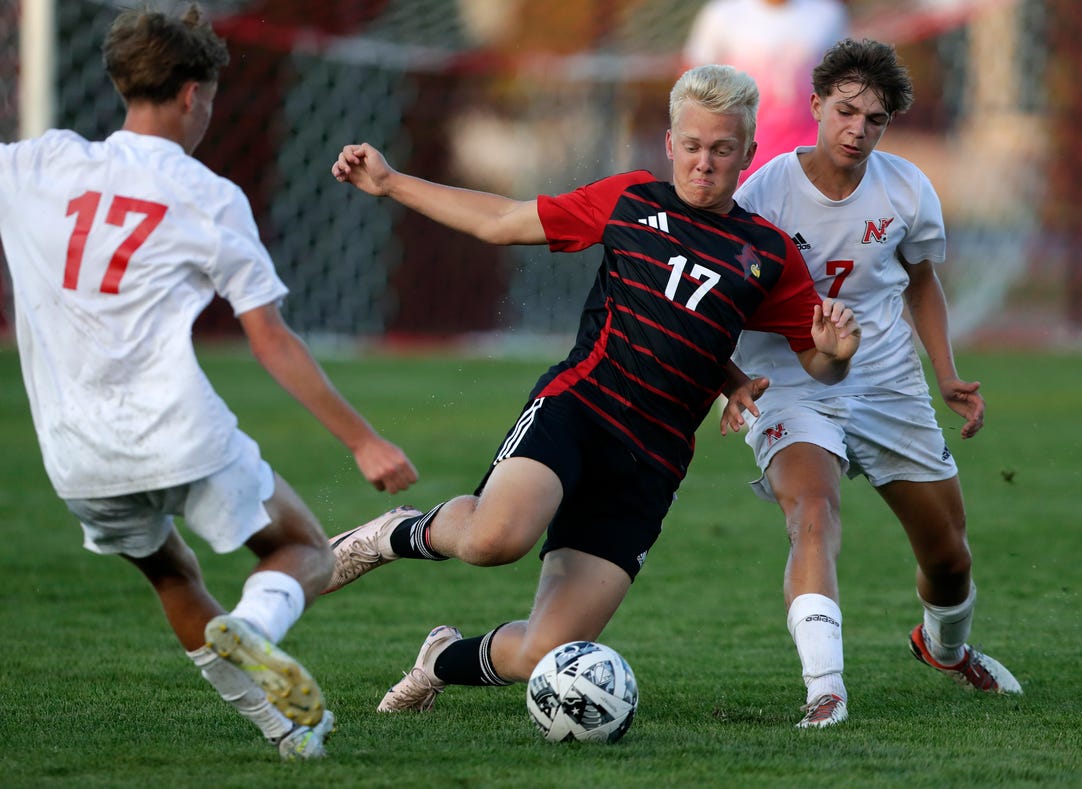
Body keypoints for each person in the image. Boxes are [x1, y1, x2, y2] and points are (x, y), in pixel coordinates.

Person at [323, 64, 861, 713]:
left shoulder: (766, 254)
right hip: (579, 409)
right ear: (669, 143)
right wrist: (389, 182)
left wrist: (835, 354)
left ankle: (438, 658)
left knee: (542, 653)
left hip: (650, 464)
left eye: (722, 149)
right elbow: (502, 220)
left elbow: (815, 363)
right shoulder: (632, 200)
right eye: (692, 146)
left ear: (748, 152)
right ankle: (393, 534)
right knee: (496, 539)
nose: (704, 163)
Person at [0, 4, 417, 760]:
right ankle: (254, 629)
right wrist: (364, 441)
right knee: (302, 550)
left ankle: (288, 733)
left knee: (171, 574)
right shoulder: (209, 195)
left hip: (73, 455)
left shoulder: (33, 166)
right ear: (193, 95)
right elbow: (271, 340)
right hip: (175, 430)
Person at [726, 37, 1022, 729]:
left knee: (948, 555)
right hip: (789, 381)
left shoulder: (907, 188)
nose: (858, 128)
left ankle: (944, 649)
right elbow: (726, 295)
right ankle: (825, 687)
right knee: (815, 512)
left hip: (888, 382)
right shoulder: (763, 193)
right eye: (846, 110)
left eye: (875, 118)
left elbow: (922, 283)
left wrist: (946, 375)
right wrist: (728, 377)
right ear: (817, 106)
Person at [683, 0, 849, 182]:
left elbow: (843, 79)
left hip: (810, 147)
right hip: (741, 148)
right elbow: (695, 81)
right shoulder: (723, 14)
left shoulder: (827, 14)